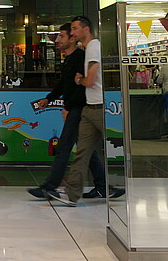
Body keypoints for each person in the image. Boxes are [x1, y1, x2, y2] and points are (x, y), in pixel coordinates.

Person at [27, 23, 112, 201]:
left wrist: (68, 107)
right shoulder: (70, 58)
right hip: (77, 108)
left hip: (79, 109)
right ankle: (103, 186)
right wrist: (49, 98)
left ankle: (50, 187)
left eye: (62, 36)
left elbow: (81, 87)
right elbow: (65, 84)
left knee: (64, 147)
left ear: (72, 39)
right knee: (85, 150)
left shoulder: (80, 57)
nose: (58, 40)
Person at [51, 15, 123, 206]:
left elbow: (89, 81)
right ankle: (72, 195)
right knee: (82, 154)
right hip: (89, 109)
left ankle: (111, 186)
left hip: (98, 108)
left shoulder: (93, 47)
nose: (73, 32)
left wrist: (78, 80)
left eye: (75, 28)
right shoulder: (87, 49)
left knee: (115, 145)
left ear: (86, 29)